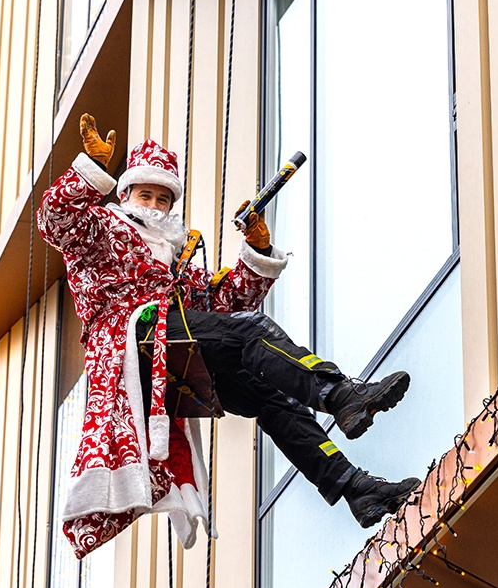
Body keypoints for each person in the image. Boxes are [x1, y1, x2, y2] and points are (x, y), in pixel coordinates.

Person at [37, 114, 420, 558]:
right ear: (125, 194)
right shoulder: (101, 231)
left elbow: (225, 301)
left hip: (172, 347)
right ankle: (338, 394)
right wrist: (91, 169)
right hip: (132, 340)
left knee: (270, 396)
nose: (155, 205)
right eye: (146, 194)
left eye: (164, 198)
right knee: (249, 331)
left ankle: (355, 489)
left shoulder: (176, 257)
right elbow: (56, 219)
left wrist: (257, 249)